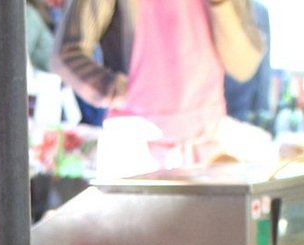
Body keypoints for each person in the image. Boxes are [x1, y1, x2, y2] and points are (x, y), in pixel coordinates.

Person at [50, 0, 266, 178]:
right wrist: (116, 90)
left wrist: (222, 6)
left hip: (206, 146)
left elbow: (244, 66)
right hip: (134, 145)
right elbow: (66, 53)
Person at [223, 0, 272, 129]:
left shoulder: (259, 11)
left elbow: (264, 67)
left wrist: (263, 107)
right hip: (217, 104)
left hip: (246, 105)